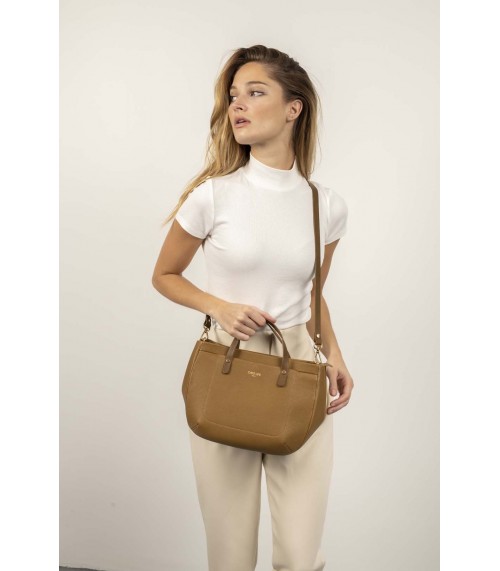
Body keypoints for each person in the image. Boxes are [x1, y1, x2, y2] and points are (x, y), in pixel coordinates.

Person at [152, 44, 354, 571]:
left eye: (255, 92)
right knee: (231, 554)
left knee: (300, 556)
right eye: (233, 95)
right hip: (226, 364)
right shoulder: (212, 196)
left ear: (293, 108)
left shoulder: (326, 205)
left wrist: (334, 355)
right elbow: (164, 275)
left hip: (300, 364)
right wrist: (219, 306)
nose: (237, 104)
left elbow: (313, 292)